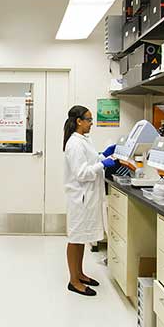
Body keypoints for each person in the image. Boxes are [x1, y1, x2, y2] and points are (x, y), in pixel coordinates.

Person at [62, 105, 116, 296]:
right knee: (75, 238)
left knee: (82, 238)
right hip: (80, 198)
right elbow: (82, 172)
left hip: (86, 197)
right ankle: (73, 280)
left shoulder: (84, 140)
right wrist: (102, 164)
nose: (91, 123)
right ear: (79, 121)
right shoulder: (74, 143)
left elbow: (89, 162)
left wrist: (103, 155)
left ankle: (80, 274)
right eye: (89, 119)